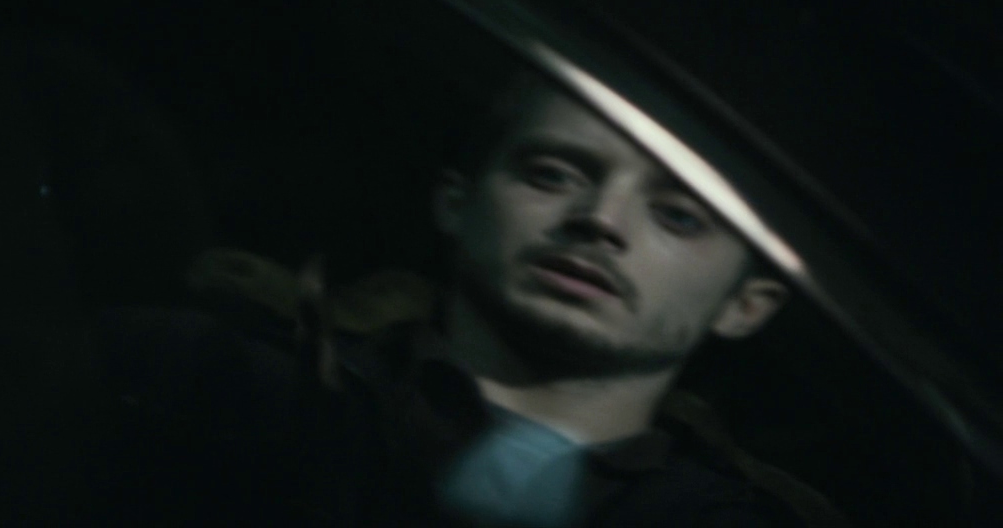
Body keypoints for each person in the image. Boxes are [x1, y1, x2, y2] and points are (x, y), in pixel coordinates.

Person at [86, 66, 836, 528]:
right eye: (552, 174)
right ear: (456, 202)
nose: (600, 220)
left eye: (678, 216)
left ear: (748, 304)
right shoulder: (203, 378)